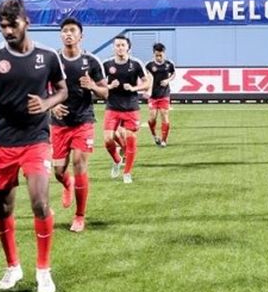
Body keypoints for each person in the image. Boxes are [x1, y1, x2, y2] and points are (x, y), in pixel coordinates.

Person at [0, 0, 68, 292]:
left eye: (13, 25)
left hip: (36, 139)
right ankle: (13, 266)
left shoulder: (49, 56)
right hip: (2, 142)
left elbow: (63, 91)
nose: (7, 31)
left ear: (27, 22)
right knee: (4, 207)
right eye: (2, 26)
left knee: (39, 202)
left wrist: (46, 103)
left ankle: (43, 270)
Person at [50, 17, 107, 233]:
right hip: (59, 123)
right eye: (64, 30)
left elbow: (105, 92)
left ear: (80, 36)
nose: (68, 34)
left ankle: (80, 216)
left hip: (83, 120)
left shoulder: (91, 61)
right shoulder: (52, 60)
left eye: (72, 30)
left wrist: (92, 86)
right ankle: (67, 184)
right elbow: (41, 90)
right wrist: (51, 107)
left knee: (79, 162)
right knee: (58, 171)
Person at [102, 36, 151, 184]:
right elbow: (98, 84)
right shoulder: (106, 64)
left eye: (123, 45)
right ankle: (117, 160)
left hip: (131, 107)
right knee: (107, 140)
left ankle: (127, 173)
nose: (120, 48)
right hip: (112, 106)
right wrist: (110, 86)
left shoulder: (136, 64)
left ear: (128, 47)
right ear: (113, 48)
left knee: (131, 141)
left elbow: (147, 83)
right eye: (117, 45)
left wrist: (134, 88)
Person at [145, 43, 176, 148]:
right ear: (153, 54)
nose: (159, 57)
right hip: (153, 96)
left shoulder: (169, 64)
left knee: (164, 116)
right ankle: (154, 135)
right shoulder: (149, 65)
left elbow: (173, 74)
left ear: (164, 53)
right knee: (152, 118)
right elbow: (145, 78)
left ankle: (164, 140)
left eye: (161, 55)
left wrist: (168, 80)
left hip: (164, 94)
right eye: (157, 55)